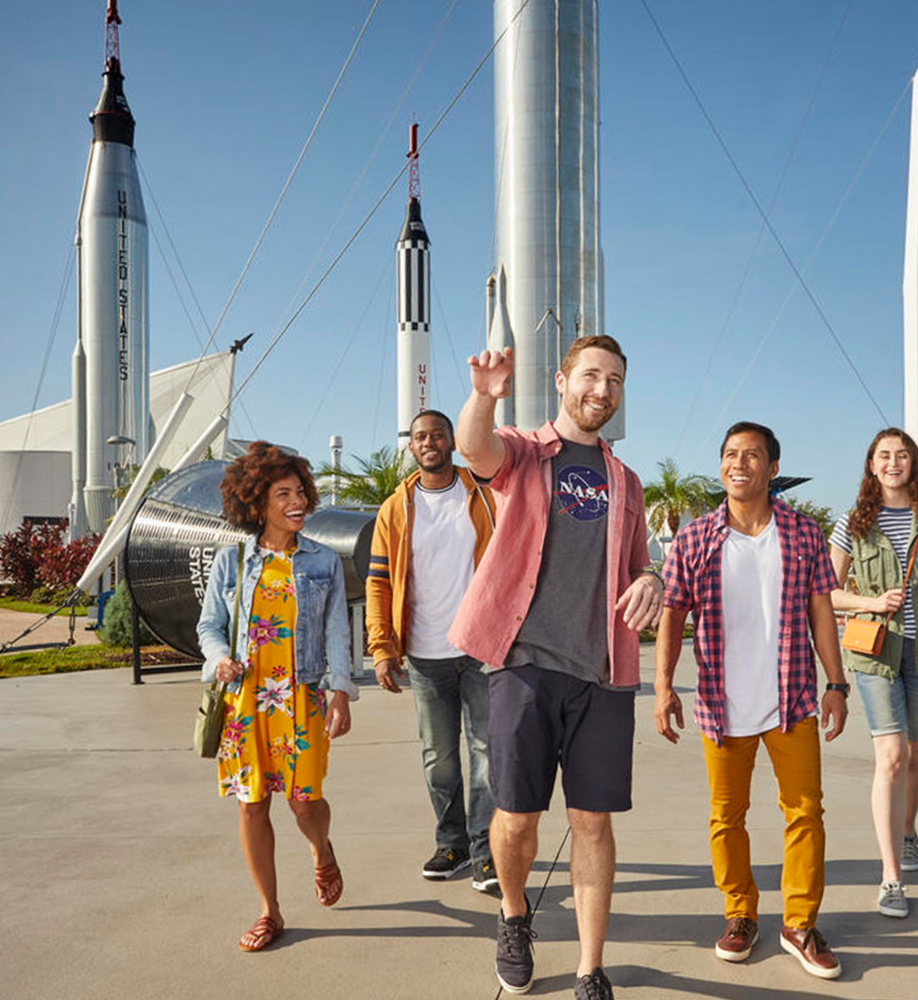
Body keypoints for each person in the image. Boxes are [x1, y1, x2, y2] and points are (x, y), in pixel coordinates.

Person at [449, 336, 662, 1000]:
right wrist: (484, 395)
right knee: (516, 817)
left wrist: (651, 578)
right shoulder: (525, 452)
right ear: (563, 379)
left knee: (592, 821)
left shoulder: (626, 480)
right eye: (592, 375)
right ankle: (515, 917)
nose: (602, 389)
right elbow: (472, 448)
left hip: (602, 675)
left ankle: (590, 966)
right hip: (525, 663)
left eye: (616, 380)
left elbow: (636, 562)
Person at [654, 421, 850, 980]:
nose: (739, 463)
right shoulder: (694, 538)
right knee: (725, 817)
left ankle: (799, 923)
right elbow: (671, 617)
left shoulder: (803, 534)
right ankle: (740, 913)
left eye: (753, 455)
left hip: (790, 701)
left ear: (771, 467)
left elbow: (821, 615)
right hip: (721, 704)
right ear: (722, 466)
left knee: (805, 812)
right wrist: (665, 687)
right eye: (731, 455)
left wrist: (835, 683)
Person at [196, 441, 357, 952]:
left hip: (300, 698)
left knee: (305, 802)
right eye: (282, 493)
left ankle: (321, 849)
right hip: (246, 703)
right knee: (252, 805)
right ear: (256, 503)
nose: (297, 502)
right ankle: (270, 911)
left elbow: (336, 630)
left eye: (300, 492)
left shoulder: (322, 562)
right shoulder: (232, 559)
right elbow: (209, 625)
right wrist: (218, 657)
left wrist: (340, 691)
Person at [828, 428, 918, 921]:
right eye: (884, 456)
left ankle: (908, 830)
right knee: (889, 757)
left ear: (914, 464)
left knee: (915, 754)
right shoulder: (853, 523)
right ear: (871, 465)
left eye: (901, 455)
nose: (893, 463)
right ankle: (891, 877)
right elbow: (827, 592)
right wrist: (870, 601)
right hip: (876, 653)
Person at [366, 409, 499, 892]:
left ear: (451, 442)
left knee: (487, 755)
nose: (430, 442)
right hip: (424, 655)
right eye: (421, 436)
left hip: (481, 649)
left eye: (438, 435)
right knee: (438, 758)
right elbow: (379, 582)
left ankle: (487, 851)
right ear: (412, 446)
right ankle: (453, 844)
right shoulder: (395, 510)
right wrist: (382, 648)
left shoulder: (484, 495)